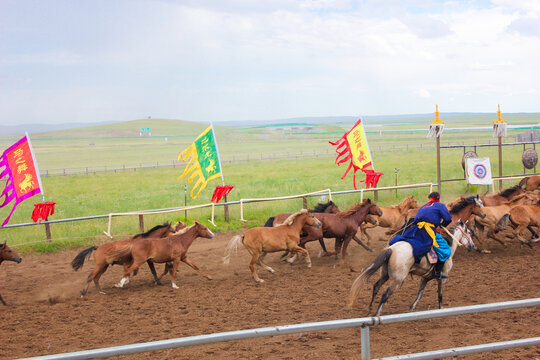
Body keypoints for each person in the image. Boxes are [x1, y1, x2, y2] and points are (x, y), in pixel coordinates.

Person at [389, 191, 452, 279]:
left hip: (417, 229)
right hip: (428, 230)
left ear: (429, 198)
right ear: (438, 198)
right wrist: (443, 225)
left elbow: (416, 220)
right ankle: (437, 272)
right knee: (444, 248)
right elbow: (448, 218)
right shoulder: (440, 205)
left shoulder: (424, 206)